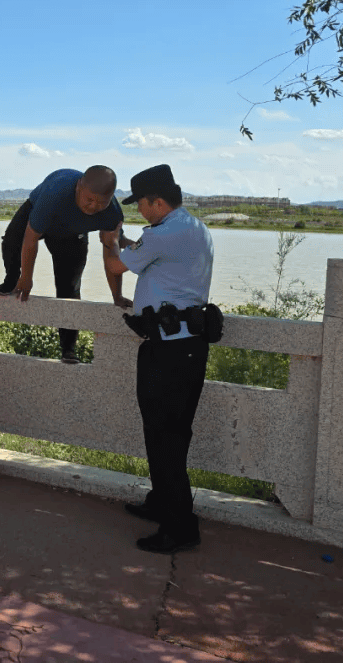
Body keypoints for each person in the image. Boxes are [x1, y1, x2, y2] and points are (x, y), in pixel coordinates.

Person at [103, 164, 215, 554]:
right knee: (171, 432)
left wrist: (110, 242)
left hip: (169, 348)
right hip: (185, 345)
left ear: (158, 201)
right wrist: (128, 241)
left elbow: (118, 264)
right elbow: (150, 255)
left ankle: (180, 527)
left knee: (164, 434)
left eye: (142, 205)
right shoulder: (192, 228)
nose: (140, 211)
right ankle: (163, 503)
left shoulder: (165, 233)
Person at [0, 165, 132, 364]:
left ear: (111, 199)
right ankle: (11, 279)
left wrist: (117, 295)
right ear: (78, 187)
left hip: (71, 235)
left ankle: (68, 348)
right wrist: (26, 278)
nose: (93, 207)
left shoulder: (112, 214)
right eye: (89, 199)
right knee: (10, 242)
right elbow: (30, 239)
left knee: (70, 287)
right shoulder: (54, 195)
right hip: (41, 212)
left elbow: (111, 254)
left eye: (101, 203)